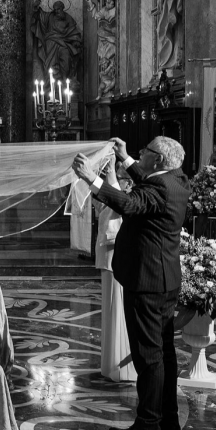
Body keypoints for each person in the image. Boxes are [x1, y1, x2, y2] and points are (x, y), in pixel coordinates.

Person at [72, 136, 190, 430]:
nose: (140, 153)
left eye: (145, 152)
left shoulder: (160, 188)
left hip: (147, 283)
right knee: (164, 352)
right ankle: (168, 419)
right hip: (165, 280)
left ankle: (148, 426)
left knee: (148, 358)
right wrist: (125, 159)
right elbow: (148, 181)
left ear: (158, 160)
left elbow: (130, 203)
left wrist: (91, 178)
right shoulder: (177, 179)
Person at [94, 155, 136, 382]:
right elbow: (102, 202)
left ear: (128, 183)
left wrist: (111, 172)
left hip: (120, 256)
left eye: (119, 178)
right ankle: (112, 364)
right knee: (111, 310)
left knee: (121, 309)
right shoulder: (119, 193)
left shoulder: (131, 197)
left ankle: (123, 367)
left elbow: (118, 203)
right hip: (109, 255)